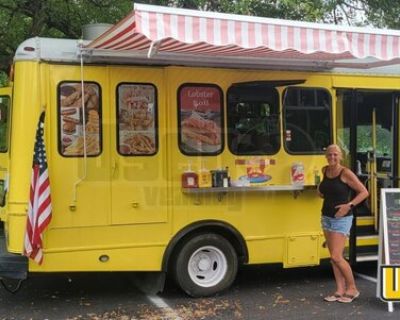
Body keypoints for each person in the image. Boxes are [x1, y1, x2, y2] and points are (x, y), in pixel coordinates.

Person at [318, 144, 369, 303]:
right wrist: (319, 190)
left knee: (336, 256)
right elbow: (323, 192)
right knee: (333, 258)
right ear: (326, 156)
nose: (332, 157)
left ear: (340, 156)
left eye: (335, 154)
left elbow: (364, 192)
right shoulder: (325, 170)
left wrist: (349, 205)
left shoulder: (345, 173)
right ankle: (340, 290)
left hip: (342, 218)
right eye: (329, 154)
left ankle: (352, 288)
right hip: (326, 217)